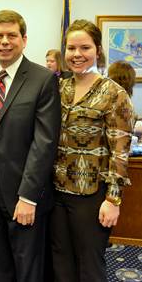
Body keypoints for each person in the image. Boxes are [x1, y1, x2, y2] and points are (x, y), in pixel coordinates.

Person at [0, 10, 61, 282]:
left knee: (28, 268)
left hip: (24, 193)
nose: (4, 41)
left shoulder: (43, 79)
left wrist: (29, 197)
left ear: (24, 39)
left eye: (12, 35)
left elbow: (44, 143)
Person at [51, 19, 135, 282]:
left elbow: (120, 152)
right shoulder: (58, 88)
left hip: (91, 195)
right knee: (60, 260)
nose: (77, 54)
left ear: (98, 50)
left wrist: (113, 200)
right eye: (71, 48)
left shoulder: (114, 94)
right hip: (56, 191)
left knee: (89, 264)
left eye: (84, 47)